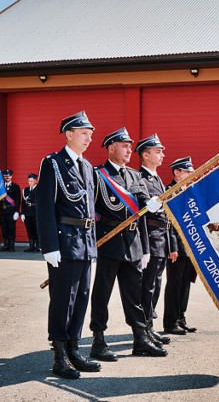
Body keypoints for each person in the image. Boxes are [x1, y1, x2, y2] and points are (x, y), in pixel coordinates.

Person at [89, 127, 167, 359]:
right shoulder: (99, 174)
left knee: (134, 294)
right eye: (124, 146)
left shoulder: (134, 175)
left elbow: (142, 203)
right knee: (102, 293)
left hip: (132, 242)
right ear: (111, 148)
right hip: (109, 241)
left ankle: (140, 338)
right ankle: (98, 339)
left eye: (130, 146)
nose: (128, 150)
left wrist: (152, 203)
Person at [35, 110, 101, 379]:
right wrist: (49, 246)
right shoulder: (52, 163)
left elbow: (90, 207)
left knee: (81, 298)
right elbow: (44, 207)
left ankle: (74, 348)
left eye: (90, 134)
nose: (88, 139)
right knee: (63, 299)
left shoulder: (86, 166)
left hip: (85, 242)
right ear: (69, 134)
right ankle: (59, 355)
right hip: (64, 242)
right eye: (84, 134)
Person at [136, 133, 173, 347]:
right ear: (146, 155)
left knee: (156, 285)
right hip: (150, 238)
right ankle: (144, 330)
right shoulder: (140, 178)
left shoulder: (156, 177)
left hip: (162, 238)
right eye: (158, 152)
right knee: (147, 286)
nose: (162, 155)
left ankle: (150, 327)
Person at [164, 156, 198, 335]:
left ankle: (180, 317)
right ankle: (170, 322)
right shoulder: (170, 192)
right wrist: (172, 246)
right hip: (177, 246)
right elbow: (168, 223)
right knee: (175, 284)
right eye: (187, 171)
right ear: (177, 172)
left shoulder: (189, 191)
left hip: (190, 247)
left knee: (185, 284)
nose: (191, 174)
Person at [0, 169, 21, 251]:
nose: (7, 177)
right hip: (3, 211)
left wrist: (17, 211)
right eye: (5, 175)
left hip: (11, 211)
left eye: (8, 175)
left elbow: (18, 200)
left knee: (11, 228)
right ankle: (6, 245)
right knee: (4, 228)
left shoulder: (15, 187)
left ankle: (11, 245)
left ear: (11, 176)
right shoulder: (0, 188)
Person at [21, 173, 39, 252]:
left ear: (36, 181)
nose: (30, 183)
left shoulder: (39, 190)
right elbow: (23, 202)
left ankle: (38, 246)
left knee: (36, 230)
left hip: (36, 214)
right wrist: (22, 213)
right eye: (29, 181)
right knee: (29, 230)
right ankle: (31, 245)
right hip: (27, 214)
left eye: (31, 181)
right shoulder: (25, 190)